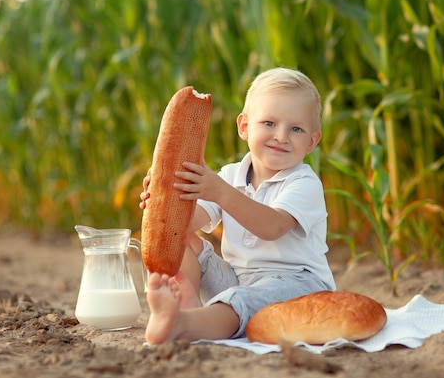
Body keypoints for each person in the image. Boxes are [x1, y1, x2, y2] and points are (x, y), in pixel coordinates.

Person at [140, 67, 335, 344]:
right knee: (179, 238)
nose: (281, 136)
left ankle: (182, 325)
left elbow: (272, 226)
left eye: (296, 128)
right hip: (237, 278)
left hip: (298, 285)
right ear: (244, 126)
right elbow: (188, 221)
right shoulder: (231, 175)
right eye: (269, 123)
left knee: (240, 301)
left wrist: (221, 193)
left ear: (312, 141)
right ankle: (188, 305)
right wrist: (161, 202)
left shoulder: (304, 183)